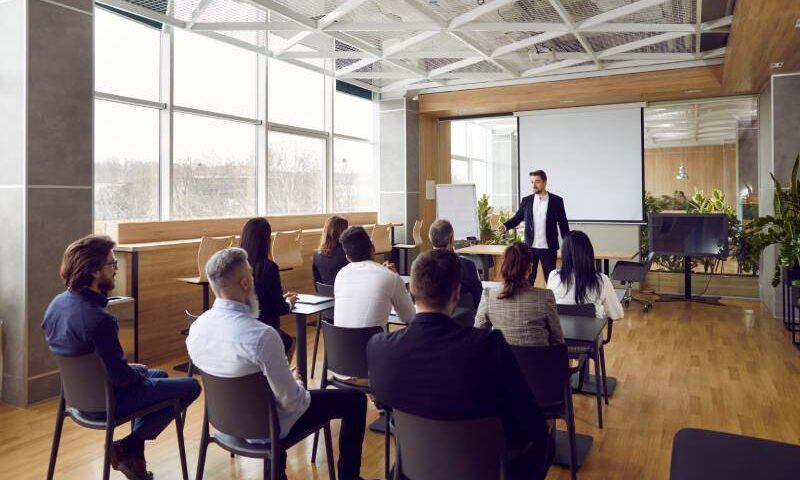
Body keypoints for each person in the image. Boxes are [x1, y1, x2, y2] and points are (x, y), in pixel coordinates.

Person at [367, 249, 553, 480]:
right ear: (456, 293)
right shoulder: (489, 348)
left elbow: (384, 405)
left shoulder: (379, 348)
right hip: (483, 468)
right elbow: (532, 422)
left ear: (412, 289)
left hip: (417, 465)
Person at [187, 248, 367, 480]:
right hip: (266, 429)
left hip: (223, 424)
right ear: (244, 283)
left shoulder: (197, 329)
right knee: (355, 400)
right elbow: (293, 402)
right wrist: (295, 382)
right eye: (251, 276)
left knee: (271, 398)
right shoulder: (262, 336)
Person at [42, 235, 201, 480]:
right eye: (112, 264)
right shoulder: (100, 320)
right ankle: (129, 445)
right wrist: (138, 370)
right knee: (190, 386)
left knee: (158, 374)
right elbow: (124, 379)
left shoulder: (56, 305)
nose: (116, 270)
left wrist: (135, 370)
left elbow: (93, 363)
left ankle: (131, 454)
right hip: (108, 403)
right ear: (95, 270)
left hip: (76, 400)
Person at [475, 242, 564, 346]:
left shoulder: (488, 295)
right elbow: (558, 340)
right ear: (530, 268)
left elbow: (477, 336)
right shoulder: (545, 297)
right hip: (538, 361)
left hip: (502, 361)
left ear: (503, 266)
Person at [333, 226, 415, 328]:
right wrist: (395, 276)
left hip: (338, 342)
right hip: (373, 342)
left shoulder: (340, 275)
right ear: (373, 249)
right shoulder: (390, 277)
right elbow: (409, 316)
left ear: (347, 256)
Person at [498, 170, 569, 285]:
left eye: (537, 182)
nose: (534, 185)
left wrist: (568, 244)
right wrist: (505, 226)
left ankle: (552, 302)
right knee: (528, 280)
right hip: (529, 248)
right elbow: (517, 218)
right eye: (531, 182)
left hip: (549, 248)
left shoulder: (557, 201)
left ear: (545, 182)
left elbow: (563, 224)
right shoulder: (526, 201)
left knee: (551, 280)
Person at [240, 217, 297, 355]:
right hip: (265, 332)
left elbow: (259, 297)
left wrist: (279, 298)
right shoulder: (268, 267)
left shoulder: (237, 266)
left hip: (240, 332)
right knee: (290, 341)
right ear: (266, 240)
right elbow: (280, 309)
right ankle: (279, 375)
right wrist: (289, 302)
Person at [547, 231, 625, 320]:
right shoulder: (601, 280)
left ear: (564, 254)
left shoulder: (553, 276)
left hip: (560, 333)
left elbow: (549, 309)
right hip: (591, 333)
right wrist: (600, 310)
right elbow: (618, 314)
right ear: (589, 252)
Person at [428, 219, 482, 309]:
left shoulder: (421, 266)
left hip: (430, 320)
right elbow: (479, 299)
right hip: (461, 320)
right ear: (451, 240)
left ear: (431, 239)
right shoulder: (467, 266)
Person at [312, 215, 349, 286]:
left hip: (325, 295)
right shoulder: (347, 254)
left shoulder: (316, 255)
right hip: (345, 295)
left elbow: (317, 285)